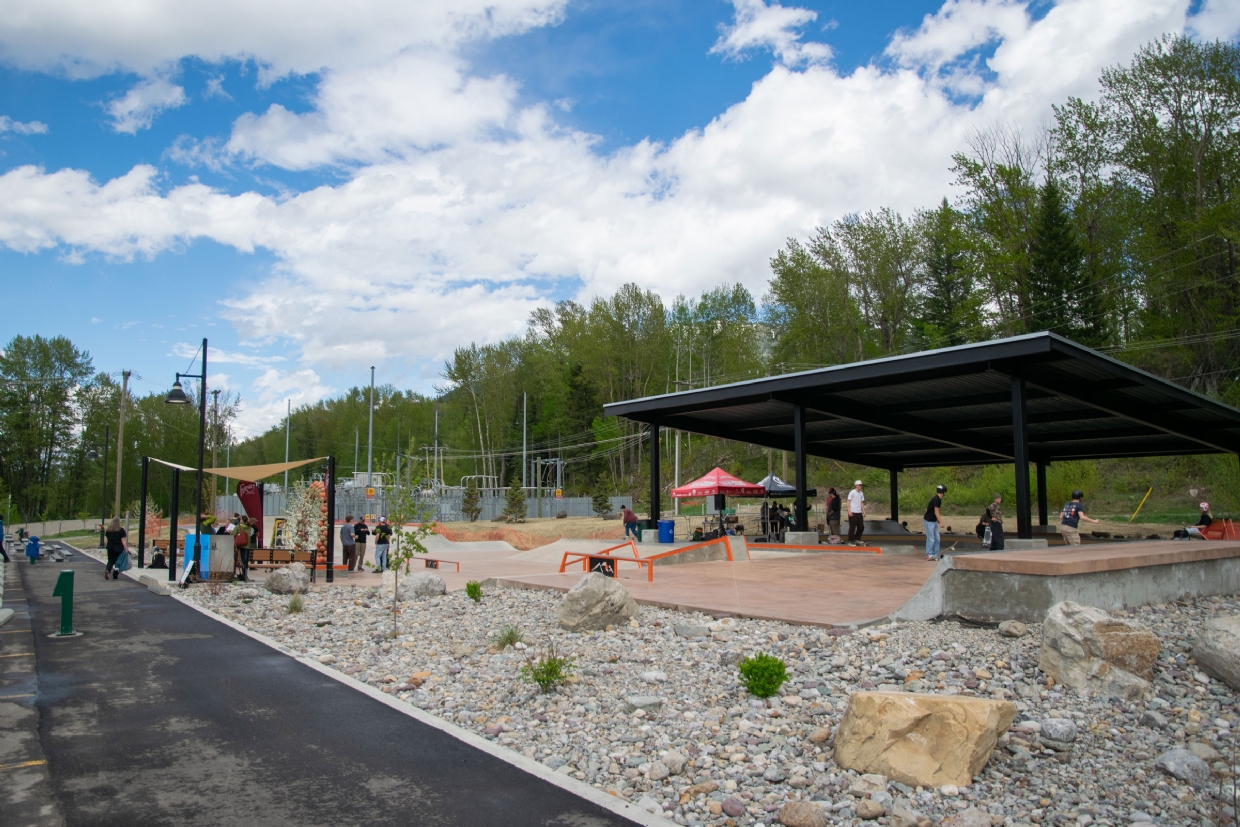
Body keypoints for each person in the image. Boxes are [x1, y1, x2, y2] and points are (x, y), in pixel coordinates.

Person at [923, 485, 946, 560]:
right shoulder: (937, 499)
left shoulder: (936, 499)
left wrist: (937, 520)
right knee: (931, 538)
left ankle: (936, 554)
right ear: (943, 493)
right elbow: (936, 512)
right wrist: (941, 522)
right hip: (929, 521)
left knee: (937, 538)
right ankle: (929, 554)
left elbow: (927, 509)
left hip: (933, 521)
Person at [847, 480, 866, 544]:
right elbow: (848, 501)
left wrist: (863, 511)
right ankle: (850, 539)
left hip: (859, 512)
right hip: (853, 512)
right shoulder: (852, 492)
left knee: (861, 526)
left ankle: (857, 538)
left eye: (861, 485)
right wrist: (849, 511)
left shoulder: (861, 493)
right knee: (852, 526)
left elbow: (861, 502)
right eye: (860, 485)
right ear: (856, 485)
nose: (861, 486)